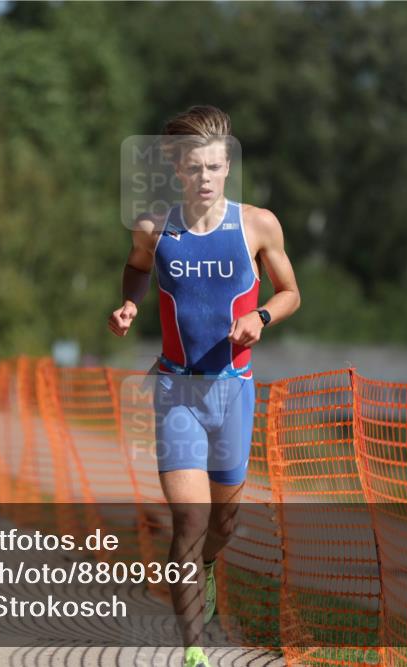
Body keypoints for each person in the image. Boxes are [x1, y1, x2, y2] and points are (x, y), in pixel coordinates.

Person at [107, 106, 301, 667]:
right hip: (176, 392)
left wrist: (261, 318)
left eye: (217, 167)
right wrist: (127, 304)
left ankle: (210, 566)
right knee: (189, 520)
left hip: (234, 391)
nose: (208, 178)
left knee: (223, 523)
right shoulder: (153, 227)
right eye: (197, 169)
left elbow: (290, 292)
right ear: (178, 169)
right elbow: (137, 266)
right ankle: (195, 652)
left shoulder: (257, 224)